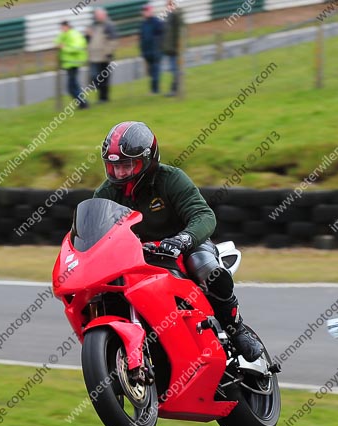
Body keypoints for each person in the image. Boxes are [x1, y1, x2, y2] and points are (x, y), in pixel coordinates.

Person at [92, 121, 265, 362]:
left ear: (148, 160)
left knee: (208, 269)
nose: (120, 173)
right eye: (114, 166)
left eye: (128, 165)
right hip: (135, 258)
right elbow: (92, 232)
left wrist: (183, 239)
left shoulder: (170, 179)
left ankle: (236, 330)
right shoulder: (105, 193)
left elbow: (203, 215)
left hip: (184, 247)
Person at [86, 8, 117, 103]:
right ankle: (101, 97)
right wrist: (87, 35)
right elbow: (88, 40)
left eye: (98, 15)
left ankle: (104, 98)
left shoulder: (109, 25)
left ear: (104, 15)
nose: (97, 17)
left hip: (104, 57)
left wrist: (108, 53)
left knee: (104, 79)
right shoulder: (93, 25)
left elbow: (113, 41)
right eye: (96, 15)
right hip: (94, 57)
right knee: (94, 77)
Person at [56, 21, 89, 109]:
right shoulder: (65, 34)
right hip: (68, 64)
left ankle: (83, 103)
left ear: (67, 26)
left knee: (71, 87)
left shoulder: (74, 35)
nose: (61, 29)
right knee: (73, 85)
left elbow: (77, 48)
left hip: (74, 64)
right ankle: (82, 103)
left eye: (62, 27)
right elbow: (57, 41)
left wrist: (64, 48)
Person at [161, 0, 184, 97]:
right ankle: (175, 89)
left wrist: (178, 46)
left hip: (175, 49)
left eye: (168, 5)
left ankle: (175, 90)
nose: (167, 7)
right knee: (173, 69)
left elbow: (181, 30)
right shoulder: (169, 16)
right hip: (170, 49)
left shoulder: (175, 15)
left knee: (175, 69)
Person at [140, 4, 164, 95]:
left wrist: (158, 48)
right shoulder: (143, 24)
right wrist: (143, 51)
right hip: (147, 52)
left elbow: (161, 36)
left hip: (155, 51)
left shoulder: (157, 22)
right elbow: (142, 38)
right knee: (151, 72)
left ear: (150, 11)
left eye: (146, 11)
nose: (144, 12)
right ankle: (153, 89)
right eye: (144, 11)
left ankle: (155, 90)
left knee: (155, 71)